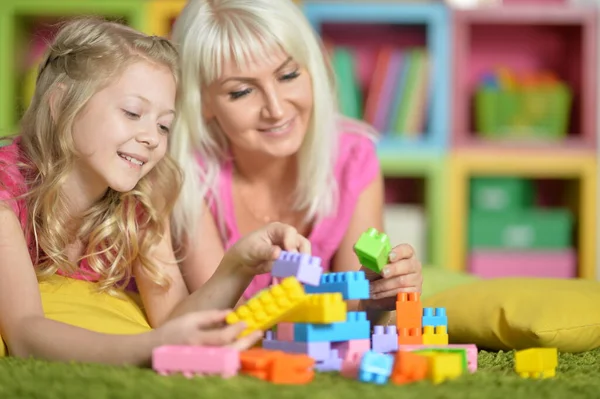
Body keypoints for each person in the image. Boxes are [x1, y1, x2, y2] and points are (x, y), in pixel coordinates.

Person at [0, 17, 311, 366]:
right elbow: (25, 334)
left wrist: (238, 265)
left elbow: (172, 317)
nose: (152, 137)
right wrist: (151, 347)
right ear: (60, 104)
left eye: (164, 125)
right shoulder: (5, 198)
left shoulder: (142, 198)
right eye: (133, 113)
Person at [169, 0, 423, 316]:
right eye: (241, 92)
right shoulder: (186, 172)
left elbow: (358, 306)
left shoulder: (353, 156)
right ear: (202, 102)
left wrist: (383, 293)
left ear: (311, 69)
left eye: (288, 75)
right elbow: (219, 317)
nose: (275, 109)